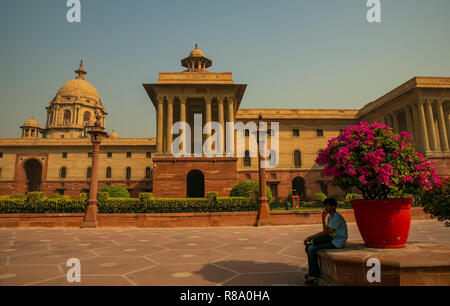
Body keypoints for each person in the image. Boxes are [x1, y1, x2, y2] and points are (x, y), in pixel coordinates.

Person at [303, 198, 348, 285]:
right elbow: (325, 231)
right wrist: (323, 218)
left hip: (337, 242)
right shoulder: (331, 217)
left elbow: (327, 232)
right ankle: (314, 272)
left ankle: (314, 274)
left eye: (327, 205)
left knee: (312, 248)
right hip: (331, 239)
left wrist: (310, 237)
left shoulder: (337, 217)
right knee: (308, 247)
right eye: (325, 205)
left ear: (333, 207)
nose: (325, 208)